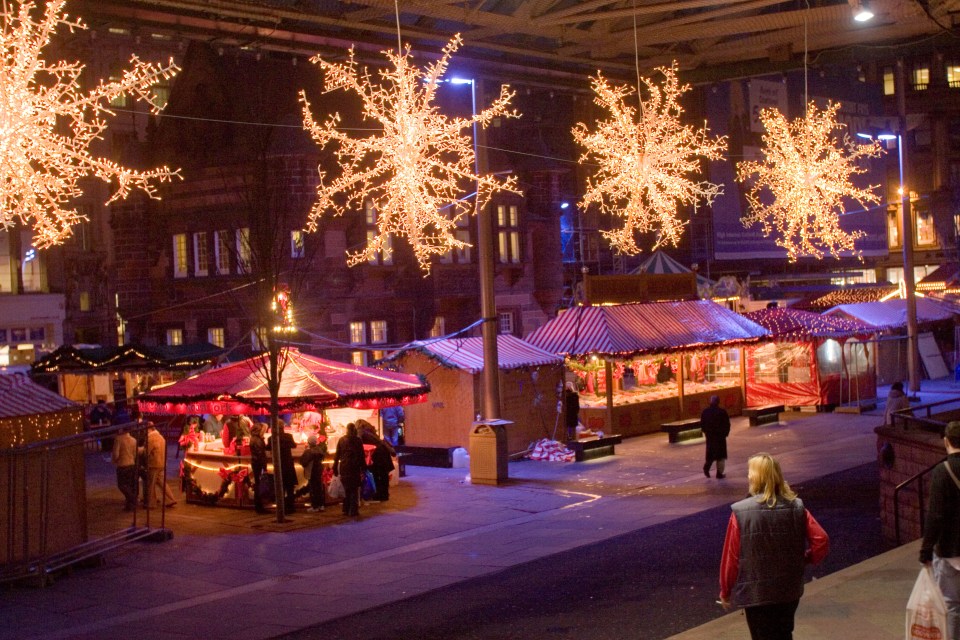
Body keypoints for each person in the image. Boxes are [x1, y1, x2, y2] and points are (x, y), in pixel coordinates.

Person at [719, 453, 829, 640]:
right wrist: (805, 558)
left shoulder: (740, 511)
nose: (747, 476)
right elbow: (821, 540)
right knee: (784, 633)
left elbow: (732, 557)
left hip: (756, 591)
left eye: (749, 472)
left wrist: (726, 590)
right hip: (788, 588)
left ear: (755, 478)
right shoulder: (796, 507)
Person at [920, 420, 960, 639]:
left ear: (946, 442)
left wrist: (926, 550)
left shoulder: (942, 472)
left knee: (952, 605)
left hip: (949, 549)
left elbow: (935, 515)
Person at [334, 422, 366, 517]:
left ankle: (346, 508)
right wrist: (363, 468)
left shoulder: (341, 440)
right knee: (354, 489)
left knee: (346, 489)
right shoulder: (358, 440)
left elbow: (337, 455)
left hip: (344, 467)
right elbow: (361, 455)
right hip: (354, 467)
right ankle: (353, 510)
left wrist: (335, 467)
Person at [142, 422, 177, 508]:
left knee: (150, 484)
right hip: (162, 463)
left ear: (148, 429)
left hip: (153, 464)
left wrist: (140, 450)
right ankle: (170, 499)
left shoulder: (150, 438)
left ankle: (151, 503)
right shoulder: (161, 437)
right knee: (162, 483)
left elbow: (146, 452)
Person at [360, 423, 395, 502]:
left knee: (378, 476)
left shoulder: (362, 433)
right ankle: (384, 494)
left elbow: (360, 445)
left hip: (378, 457)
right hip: (383, 456)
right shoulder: (371, 433)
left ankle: (381, 495)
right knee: (383, 476)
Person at [701, 395, 731, 479]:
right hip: (720, 437)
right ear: (718, 402)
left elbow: (702, 424)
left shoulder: (705, 412)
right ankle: (719, 473)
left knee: (710, 454)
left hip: (710, 437)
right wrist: (725, 434)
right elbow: (727, 424)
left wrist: (706, 432)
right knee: (721, 456)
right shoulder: (722, 412)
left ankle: (706, 468)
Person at [111, 426, 139, 511]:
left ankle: (133, 499)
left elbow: (116, 454)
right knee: (129, 485)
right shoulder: (134, 440)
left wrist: (114, 460)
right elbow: (135, 453)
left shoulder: (118, 439)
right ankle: (129, 506)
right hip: (131, 464)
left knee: (122, 485)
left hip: (122, 465)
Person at [300, 434, 328, 512]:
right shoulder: (320, 450)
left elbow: (303, 461)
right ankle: (321, 505)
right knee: (319, 488)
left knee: (313, 488)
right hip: (319, 470)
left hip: (311, 471)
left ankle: (314, 506)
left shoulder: (309, 451)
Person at [249, 422, 269, 513]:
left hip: (255, 463)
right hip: (258, 464)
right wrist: (264, 468)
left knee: (258, 484)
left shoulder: (254, 438)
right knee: (259, 484)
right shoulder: (257, 440)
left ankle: (259, 505)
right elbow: (260, 454)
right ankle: (259, 506)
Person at [278, 427, 298, 514]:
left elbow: (267, 448)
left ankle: (281, 506)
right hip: (288, 464)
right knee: (290, 487)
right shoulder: (288, 436)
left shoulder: (272, 437)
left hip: (279, 465)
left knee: (281, 487)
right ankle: (291, 507)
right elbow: (294, 445)